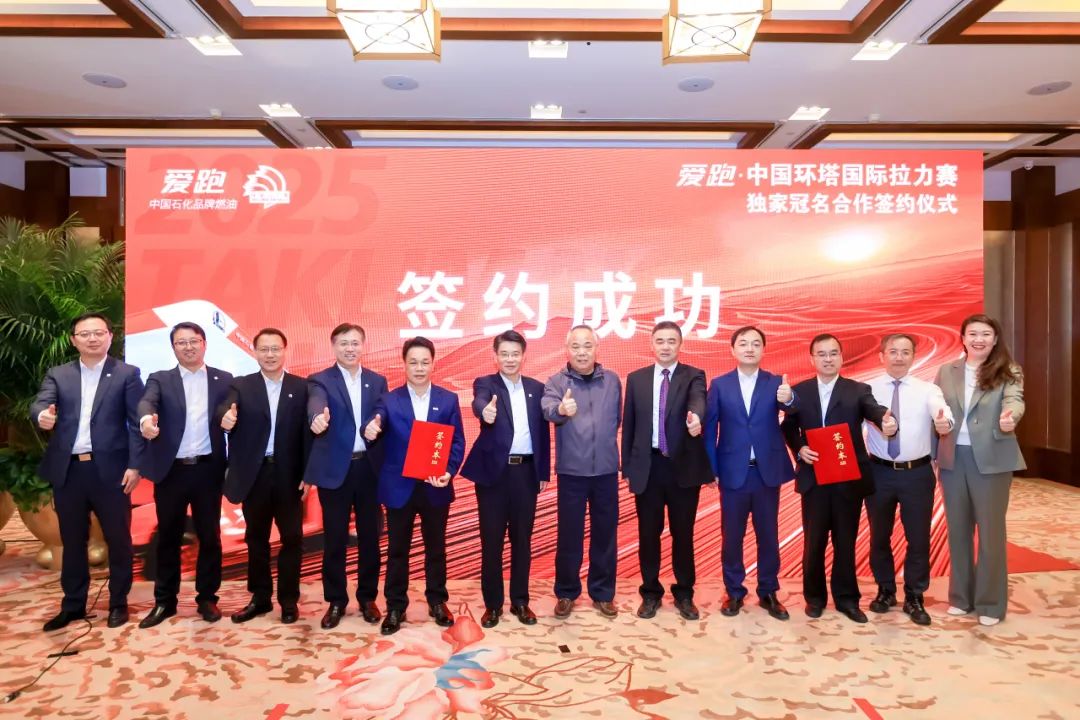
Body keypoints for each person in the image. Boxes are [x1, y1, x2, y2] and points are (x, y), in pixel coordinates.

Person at [31, 313, 144, 631]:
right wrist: (42, 417)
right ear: (73, 340)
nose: (92, 338)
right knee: (72, 540)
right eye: (84, 334)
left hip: (112, 471)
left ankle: (118, 602)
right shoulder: (58, 374)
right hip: (70, 471)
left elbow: (138, 422)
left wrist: (135, 465)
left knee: (118, 539)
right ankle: (73, 605)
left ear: (110, 336)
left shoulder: (127, 374)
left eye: (98, 332)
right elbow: (40, 404)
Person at [781, 333, 896, 624]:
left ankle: (847, 600)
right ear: (812, 359)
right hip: (814, 477)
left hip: (847, 478)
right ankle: (815, 598)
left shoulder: (858, 390)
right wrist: (799, 448)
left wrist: (885, 420)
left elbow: (874, 410)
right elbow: (789, 427)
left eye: (833, 353)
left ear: (842, 357)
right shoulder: (799, 391)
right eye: (821, 354)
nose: (828, 359)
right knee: (814, 542)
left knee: (845, 542)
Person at [364, 336, 465, 635]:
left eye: (424, 362)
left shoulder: (448, 399)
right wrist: (370, 428)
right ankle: (396, 606)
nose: (419, 368)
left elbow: (457, 441)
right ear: (404, 364)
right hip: (400, 487)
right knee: (397, 550)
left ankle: (437, 601)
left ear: (433, 364)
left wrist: (448, 471)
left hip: (435, 485)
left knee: (436, 549)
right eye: (413, 362)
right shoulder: (389, 400)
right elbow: (375, 421)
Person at [137, 322, 232, 628]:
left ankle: (207, 598)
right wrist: (146, 420)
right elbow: (147, 402)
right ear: (173, 347)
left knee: (209, 537)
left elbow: (229, 411)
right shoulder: (160, 379)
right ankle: (165, 602)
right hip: (172, 471)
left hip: (208, 470)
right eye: (181, 342)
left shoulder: (223, 379)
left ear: (204, 344)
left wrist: (230, 418)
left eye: (194, 341)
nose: (188, 347)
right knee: (168, 537)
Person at [934, 314, 1025, 627]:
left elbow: (1015, 400)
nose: (979, 339)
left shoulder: (1008, 370)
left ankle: (990, 603)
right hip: (952, 458)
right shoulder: (947, 371)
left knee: (990, 532)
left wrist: (1010, 417)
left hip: (991, 460)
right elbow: (936, 409)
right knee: (957, 530)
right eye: (972, 333)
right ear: (963, 338)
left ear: (995, 339)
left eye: (986, 334)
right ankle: (961, 597)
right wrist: (938, 427)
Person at [704, 325, 797, 621]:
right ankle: (734, 591)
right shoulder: (720, 385)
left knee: (768, 535)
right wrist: (711, 468)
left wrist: (789, 398)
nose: (749, 348)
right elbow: (710, 428)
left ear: (763, 350)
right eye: (743, 343)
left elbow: (792, 410)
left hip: (766, 472)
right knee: (732, 536)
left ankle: (768, 591)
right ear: (732, 350)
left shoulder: (775, 383)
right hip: (732, 472)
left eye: (756, 344)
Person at [460, 330, 551, 628]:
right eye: (504, 354)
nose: (510, 359)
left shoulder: (537, 388)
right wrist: (483, 412)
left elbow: (542, 433)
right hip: (494, 476)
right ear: (495, 356)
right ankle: (493, 605)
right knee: (492, 541)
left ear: (524, 356)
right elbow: (479, 402)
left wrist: (543, 471)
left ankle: (520, 601)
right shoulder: (486, 383)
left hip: (526, 472)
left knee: (522, 540)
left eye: (515, 354)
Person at [622, 321, 711, 621]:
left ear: (680, 344)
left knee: (682, 533)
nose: (665, 346)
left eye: (671, 341)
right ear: (652, 344)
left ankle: (684, 593)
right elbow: (630, 424)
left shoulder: (693, 375)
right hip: (648, 468)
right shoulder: (636, 379)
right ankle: (650, 593)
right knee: (648, 534)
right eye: (660, 340)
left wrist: (696, 418)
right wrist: (628, 467)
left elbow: (698, 400)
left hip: (681, 468)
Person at [220, 328, 309, 625]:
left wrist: (308, 474)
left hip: (289, 474)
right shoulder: (241, 385)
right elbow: (224, 410)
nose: (270, 355)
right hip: (255, 474)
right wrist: (225, 418)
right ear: (255, 352)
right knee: (256, 538)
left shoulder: (301, 386)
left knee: (292, 538)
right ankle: (260, 598)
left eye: (275, 349)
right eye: (264, 349)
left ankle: (288, 600)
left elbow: (308, 435)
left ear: (284, 351)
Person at [864, 333, 954, 626]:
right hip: (879, 472)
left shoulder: (928, 389)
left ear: (914, 357)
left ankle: (914, 595)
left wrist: (944, 422)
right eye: (893, 351)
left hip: (917, 474)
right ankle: (885, 590)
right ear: (881, 356)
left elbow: (943, 413)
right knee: (879, 535)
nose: (899, 357)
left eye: (905, 352)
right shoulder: (867, 389)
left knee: (918, 537)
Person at [305, 323, 388, 629]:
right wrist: (317, 418)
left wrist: (378, 421)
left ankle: (367, 598)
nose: (349, 348)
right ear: (334, 346)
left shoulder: (377, 380)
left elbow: (383, 410)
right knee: (335, 539)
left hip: (368, 469)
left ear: (363, 345)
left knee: (370, 537)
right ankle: (336, 601)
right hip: (335, 472)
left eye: (354, 343)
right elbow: (316, 404)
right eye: (343, 343)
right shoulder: (320, 380)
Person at [542, 324, 623, 619]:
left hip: (606, 472)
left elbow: (617, 420)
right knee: (569, 536)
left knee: (605, 535)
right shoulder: (555, 381)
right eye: (575, 346)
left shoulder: (612, 381)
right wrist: (561, 410)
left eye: (587, 345)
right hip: (572, 473)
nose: (582, 352)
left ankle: (603, 593)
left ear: (596, 348)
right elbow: (548, 409)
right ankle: (566, 592)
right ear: (567, 350)